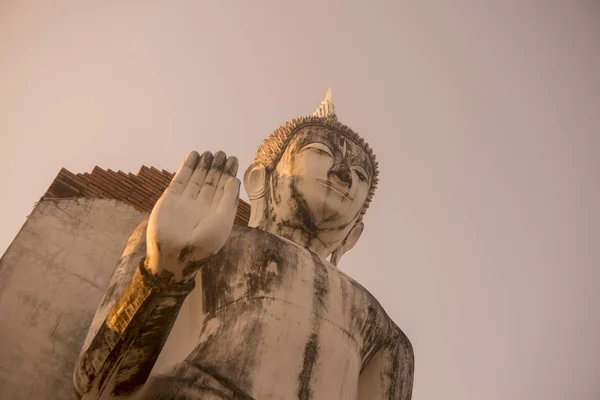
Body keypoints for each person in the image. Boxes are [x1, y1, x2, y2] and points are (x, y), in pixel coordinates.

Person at [74, 90, 414, 399]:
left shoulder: (383, 330)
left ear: (355, 232)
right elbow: (96, 384)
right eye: (320, 152)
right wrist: (164, 274)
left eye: (361, 174)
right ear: (260, 180)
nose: (344, 174)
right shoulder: (205, 244)